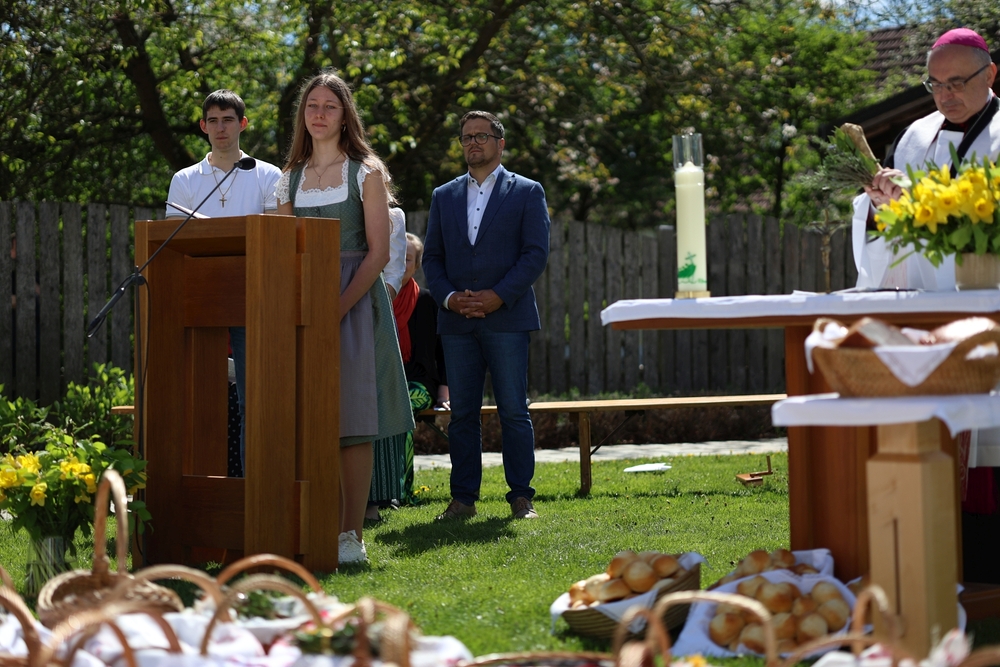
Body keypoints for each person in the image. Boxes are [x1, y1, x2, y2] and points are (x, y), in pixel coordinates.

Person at [276, 71, 413, 564]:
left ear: (344, 115)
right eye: (311, 105)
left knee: (352, 421)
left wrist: (335, 308)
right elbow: (281, 250)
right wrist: (301, 309)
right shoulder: (287, 178)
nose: (319, 114)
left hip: (353, 302)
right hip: (303, 300)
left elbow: (378, 253)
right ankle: (316, 528)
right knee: (312, 419)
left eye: (329, 106)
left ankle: (351, 534)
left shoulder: (364, 171)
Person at [422, 110, 550, 521]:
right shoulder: (444, 195)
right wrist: (448, 299)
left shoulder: (527, 191)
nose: (473, 143)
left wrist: (499, 296)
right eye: (466, 137)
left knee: (513, 410)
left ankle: (521, 497)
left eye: (481, 135)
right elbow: (432, 257)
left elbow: (535, 254)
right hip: (457, 322)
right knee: (462, 414)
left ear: (500, 143)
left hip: (507, 318)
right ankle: (463, 499)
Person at [165, 89, 283, 478]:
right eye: (213, 120)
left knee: (255, 401)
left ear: (243, 124)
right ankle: (199, 490)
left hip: (253, 298)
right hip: (201, 300)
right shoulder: (184, 179)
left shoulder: (268, 175)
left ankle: (253, 489)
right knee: (199, 401)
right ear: (203, 126)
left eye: (228, 120)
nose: (220, 128)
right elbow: (175, 243)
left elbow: (274, 240)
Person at [853, 28, 999, 290]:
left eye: (956, 83)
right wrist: (879, 204)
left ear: (989, 74)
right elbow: (880, 225)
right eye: (936, 85)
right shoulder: (913, 136)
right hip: (916, 295)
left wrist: (918, 197)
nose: (944, 96)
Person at [366, 206, 411, 521]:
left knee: (377, 400)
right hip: (327, 307)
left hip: (374, 314)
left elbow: (394, 271)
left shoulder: (393, 216)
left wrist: (374, 301)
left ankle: (373, 500)